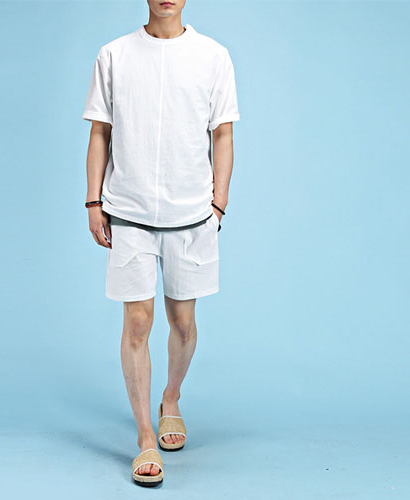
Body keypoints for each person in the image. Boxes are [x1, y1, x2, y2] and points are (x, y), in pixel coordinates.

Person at [82, 0, 239, 487]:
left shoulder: (213, 56)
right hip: (128, 210)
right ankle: (145, 435)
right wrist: (93, 201)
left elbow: (223, 133)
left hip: (191, 213)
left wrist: (218, 204)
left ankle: (170, 398)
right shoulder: (114, 55)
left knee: (183, 323)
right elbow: (100, 131)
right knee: (137, 322)